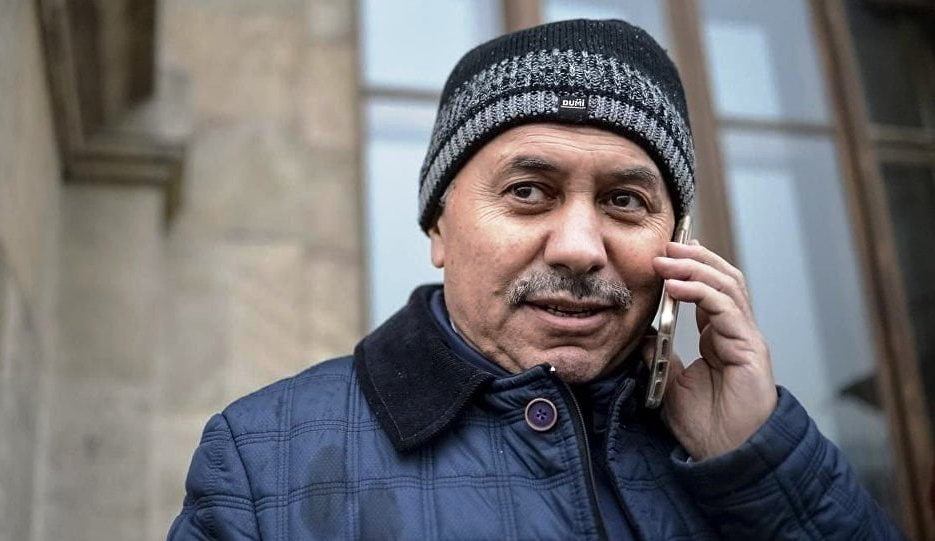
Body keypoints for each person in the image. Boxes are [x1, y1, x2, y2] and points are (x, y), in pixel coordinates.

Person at [168, 19, 903, 540]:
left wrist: (762, 466)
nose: (580, 248)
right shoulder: (264, 460)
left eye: (625, 201)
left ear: (678, 242)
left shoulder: (738, 455)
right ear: (438, 229)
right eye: (528, 192)